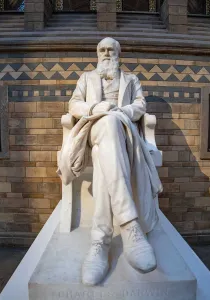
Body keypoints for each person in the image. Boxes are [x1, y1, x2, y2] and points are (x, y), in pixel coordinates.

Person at [65, 37, 161, 286]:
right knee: (106, 123)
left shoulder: (131, 79)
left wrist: (124, 112)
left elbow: (140, 104)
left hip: (123, 132)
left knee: (102, 152)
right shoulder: (86, 78)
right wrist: (97, 107)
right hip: (94, 128)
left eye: (111, 50)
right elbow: (74, 103)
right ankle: (130, 227)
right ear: (97, 53)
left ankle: (100, 240)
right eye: (102, 50)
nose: (106, 53)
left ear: (119, 53)